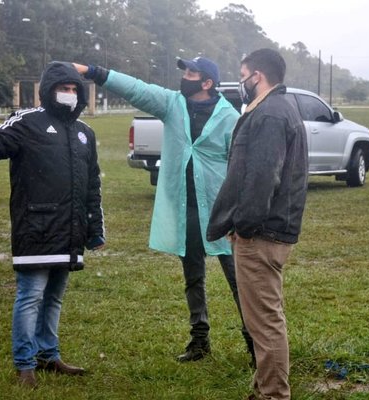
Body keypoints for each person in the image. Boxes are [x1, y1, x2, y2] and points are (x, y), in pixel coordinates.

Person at [72, 57, 254, 363]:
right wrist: (94, 72)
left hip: (221, 214)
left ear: (207, 83)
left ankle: (254, 344)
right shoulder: (173, 104)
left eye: (191, 73)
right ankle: (199, 340)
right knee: (193, 277)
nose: (185, 76)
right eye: (184, 71)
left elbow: (240, 169)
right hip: (186, 211)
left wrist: (239, 213)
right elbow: (137, 89)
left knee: (239, 281)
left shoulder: (230, 118)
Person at [0, 61, 105, 388]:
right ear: (48, 91)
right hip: (36, 227)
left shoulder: (86, 133)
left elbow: (92, 186)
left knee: (54, 298)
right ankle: (24, 364)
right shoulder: (29, 122)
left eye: (74, 90)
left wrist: (94, 228)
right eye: (64, 89)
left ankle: (48, 355)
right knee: (30, 296)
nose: (69, 95)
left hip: (69, 230)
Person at [207, 48, 308, 400]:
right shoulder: (273, 110)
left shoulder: (270, 114)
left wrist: (245, 226)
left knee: (265, 324)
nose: (241, 82)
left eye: (243, 74)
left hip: (261, 235)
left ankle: (274, 395)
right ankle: (263, 389)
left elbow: (263, 177)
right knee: (262, 319)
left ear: (258, 76)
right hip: (267, 231)